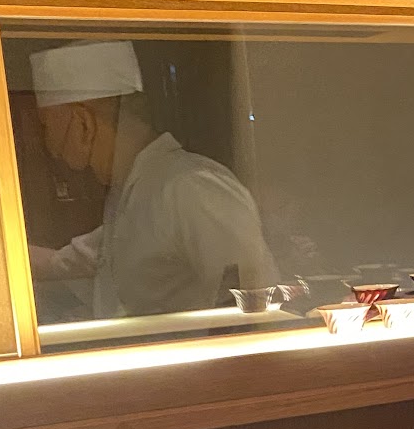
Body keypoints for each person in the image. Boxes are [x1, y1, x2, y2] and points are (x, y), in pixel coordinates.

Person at [28, 40, 278, 318]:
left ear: (83, 124)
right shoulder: (130, 194)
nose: (47, 142)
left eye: (46, 125)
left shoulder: (190, 187)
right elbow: (68, 263)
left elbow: (257, 303)